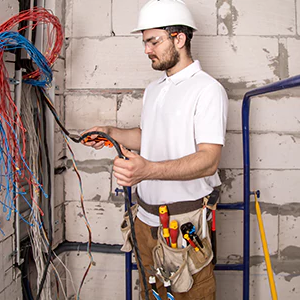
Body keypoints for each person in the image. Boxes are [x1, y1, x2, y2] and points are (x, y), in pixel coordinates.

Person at [82, 0, 228, 299]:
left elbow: (208, 161)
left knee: (192, 294)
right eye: (145, 42)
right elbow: (149, 136)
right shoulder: (155, 89)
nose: (147, 49)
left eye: (153, 41)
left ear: (179, 38)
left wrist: (148, 169)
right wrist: (111, 133)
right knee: (152, 294)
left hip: (184, 225)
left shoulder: (207, 89)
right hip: (145, 221)